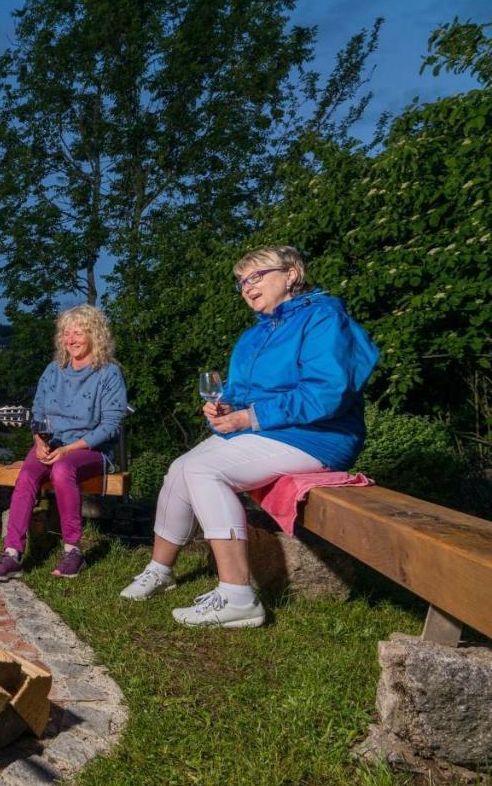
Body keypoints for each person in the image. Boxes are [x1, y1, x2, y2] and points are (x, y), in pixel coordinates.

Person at [119, 246, 379, 628]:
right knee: (179, 469)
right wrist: (222, 412)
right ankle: (160, 570)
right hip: (268, 431)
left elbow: (327, 392)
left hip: (317, 436)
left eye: (257, 276)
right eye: (242, 281)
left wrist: (251, 417)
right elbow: (237, 398)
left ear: (291, 275)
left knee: (204, 470)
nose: (247, 286)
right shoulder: (253, 338)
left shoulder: (323, 318)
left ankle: (238, 595)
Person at [0, 305, 128, 582]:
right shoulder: (54, 370)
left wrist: (68, 450)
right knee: (27, 475)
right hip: (52, 445)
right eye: (66, 333)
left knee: (63, 469)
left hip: (90, 449)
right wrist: (38, 441)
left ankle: (73, 551)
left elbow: (110, 426)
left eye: (78, 332)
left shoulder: (108, 373)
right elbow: (37, 415)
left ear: (94, 335)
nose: (71, 339)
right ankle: (12, 553)